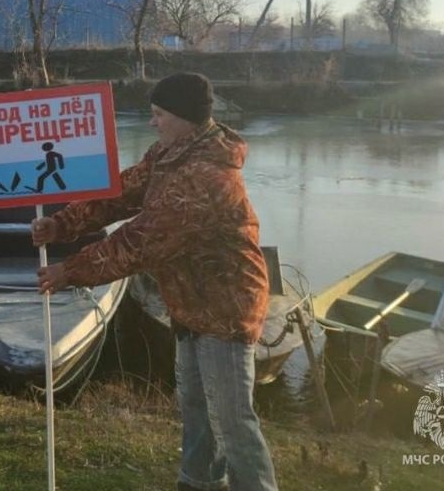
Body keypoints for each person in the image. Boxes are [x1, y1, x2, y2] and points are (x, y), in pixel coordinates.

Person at [33, 72, 278, 491]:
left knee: (232, 420)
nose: (153, 122)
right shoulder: (168, 155)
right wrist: (61, 223)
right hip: (190, 304)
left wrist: (69, 270)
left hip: (225, 309)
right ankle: (197, 483)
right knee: (197, 409)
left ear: (184, 117)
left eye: (159, 114)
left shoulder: (206, 177)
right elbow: (120, 194)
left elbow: (141, 241)